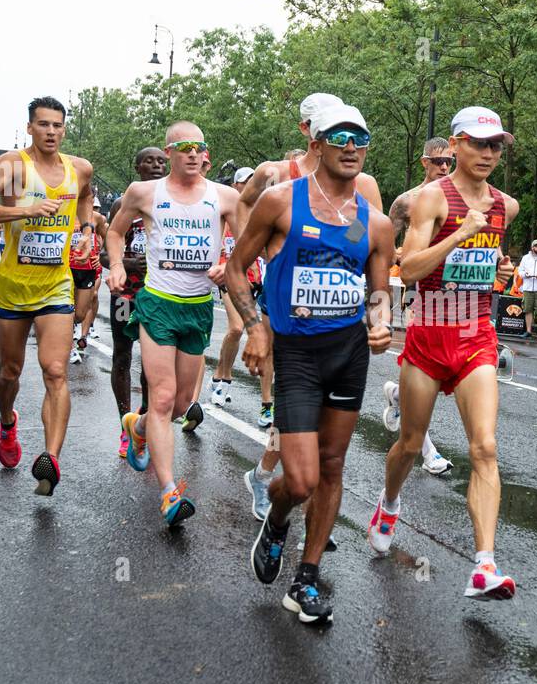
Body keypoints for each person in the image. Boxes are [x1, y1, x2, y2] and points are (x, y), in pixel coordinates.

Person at [228, 103, 393, 624]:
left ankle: (306, 577)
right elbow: (235, 269)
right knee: (299, 481)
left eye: (360, 138)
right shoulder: (281, 201)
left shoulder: (376, 224)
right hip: (297, 355)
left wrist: (381, 321)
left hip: (348, 355)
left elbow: (379, 291)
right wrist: (257, 328)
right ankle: (278, 519)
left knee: (332, 466)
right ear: (316, 144)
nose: (352, 146)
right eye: (340, 137)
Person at [368, 105, 520, 600]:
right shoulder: (432, 198)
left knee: (485, 447)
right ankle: (390, 503)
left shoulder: (506, 206)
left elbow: (486, 263)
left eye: (495, 145)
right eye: (478, 143)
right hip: (430, 331)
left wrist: (499, 270)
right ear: (455, 145)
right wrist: (460, 233)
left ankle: (484, 564)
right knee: (411, 444)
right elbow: (409, 269)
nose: (488, 153)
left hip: (476, 334)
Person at [107, 123, 239, 525]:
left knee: (181, 405)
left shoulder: (226, 197)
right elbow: (114, 232)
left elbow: (248, 244)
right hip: (158, 305)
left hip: (197, 309)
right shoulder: (144, 192)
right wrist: (116, 265)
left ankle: (138, 427)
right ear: (170, 153)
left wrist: (229, 264)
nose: (193, 153)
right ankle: (169, 492)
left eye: (199, 147)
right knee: (163, 398)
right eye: (185, 147)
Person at [0, 96, 95, 495]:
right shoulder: (12, 165)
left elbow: (85, 196)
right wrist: (26, 210)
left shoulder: (79, 168)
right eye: (43, 124)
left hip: (56, 284)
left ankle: (50, 459)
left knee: (56, 370)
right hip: (13, 286)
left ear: (64, 129)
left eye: (57, 125)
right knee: (10, 372)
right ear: (30, 128)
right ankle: (8, 422)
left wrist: (86, 229)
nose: (51, 132)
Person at [383, 136, 456, 474]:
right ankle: (429, 452)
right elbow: (384, 243)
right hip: (420, 291)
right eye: (438, 161)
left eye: (449, 162)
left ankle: (400, 395)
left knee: (444, 371)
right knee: (425, 367)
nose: (444, 167)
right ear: (424, 162)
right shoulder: (407, 202)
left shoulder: (462, 198)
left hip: (457, 295)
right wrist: (399, 256)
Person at [103, 147, 163, 457]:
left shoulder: (173, 203)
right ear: (137, 167)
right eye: (149, 161)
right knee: (123, 357)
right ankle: (124, 424)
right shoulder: (122, 204)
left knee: (153, 364)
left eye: (161, 161)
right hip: (126, 297)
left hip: (159, 297)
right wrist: (127, 264)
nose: (156, 165)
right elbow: (104, 255)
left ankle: (144, 423)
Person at [209, 165, 275, 427]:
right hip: (229, 275)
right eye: (245, 182)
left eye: (252, 182)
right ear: (236, 186)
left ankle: (263, 401)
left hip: (254, 278)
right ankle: (222, 378)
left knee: (262, 338)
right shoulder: (226, 210)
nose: (250, 186)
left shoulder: (263, 211)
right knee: (237, 328)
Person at [68, 198, 106, 364]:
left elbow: (111, 237)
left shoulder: (97, 218)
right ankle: (70, 346)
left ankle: (79, 330)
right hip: (65, 268)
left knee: (80, 313)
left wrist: (101, 256)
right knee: (65, 308)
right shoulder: (64, 214)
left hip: (88, 268)